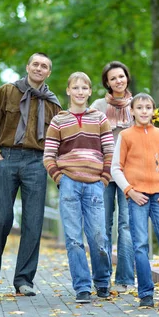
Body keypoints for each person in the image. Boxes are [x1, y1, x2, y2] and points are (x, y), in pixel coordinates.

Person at [0, 53, 61, 296]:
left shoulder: (54, 104)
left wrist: (53, 165)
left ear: (48, 72)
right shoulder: (7, 91)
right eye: (35, 64)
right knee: (0, 219)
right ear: (27, 67)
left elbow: (60, 140)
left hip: (37, 163)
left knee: (33, 223)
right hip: (7, 158)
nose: (39, 68)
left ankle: (24, 281)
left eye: (44, 66)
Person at [44, 72, 113, 303]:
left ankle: (102, 281)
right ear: (68, 91)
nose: (80, 91)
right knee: (73, 239)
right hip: (69, 184)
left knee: (98, 237)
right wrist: (59, 178)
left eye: (85, 88)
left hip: (94, 185)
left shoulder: (100, 119)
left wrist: (104, 178)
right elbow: (49, 155)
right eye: (76, 87)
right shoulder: (59, 120)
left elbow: (110, 152)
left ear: (90, 92)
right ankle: (82, 287)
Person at [111, 93, 159, 308]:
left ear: (153, 111)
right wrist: (129, 191)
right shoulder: (126, 136)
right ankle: (146, 293)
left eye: (147, 107)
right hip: (137, 197)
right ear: (131, 111)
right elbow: (115, 168)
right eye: (139, 107)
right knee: (140, 245)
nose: (143, 111)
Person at [91, 61, 135, 292]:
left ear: (127, 77)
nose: (119, 81)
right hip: (104, 172)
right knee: (102, 224)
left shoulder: (138, 105)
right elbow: (90, 136)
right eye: (113, 78)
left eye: (121, 76)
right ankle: (102, 278)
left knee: (126, 226)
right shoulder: (98, 106)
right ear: (107, 83)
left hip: (130, 174)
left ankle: (125, 279)